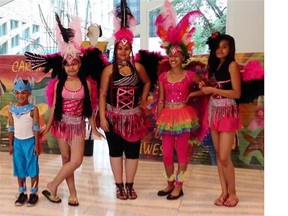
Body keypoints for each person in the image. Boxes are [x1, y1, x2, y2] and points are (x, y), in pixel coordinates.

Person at [25, 14, 105, 206]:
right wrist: (47, 126)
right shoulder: (58, 84)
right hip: (61, 126)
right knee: (66, 159)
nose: (71, 68)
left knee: (76, 161)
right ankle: (73, 194)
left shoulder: (86, 84)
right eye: (67, 64)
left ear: (79, 63)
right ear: (63, 65)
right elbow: (53, 109)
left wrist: (94, 128)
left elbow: (90, 108)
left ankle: (52, 185)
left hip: (77, 126)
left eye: (74, 63)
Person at [98, 0, 151, 200]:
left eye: (126, 49)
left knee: (132, 152)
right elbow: (103, 94)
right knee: (115, 152)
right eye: (120, 49)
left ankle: (130, 185)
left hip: (133, 118)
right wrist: (103, 118)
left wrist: (144, 99)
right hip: (112, 117)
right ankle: (119, 186)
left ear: (130, 49)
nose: (123, 52)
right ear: (115, 49)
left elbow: (146, 83)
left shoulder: (138, 68)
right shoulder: (107, 70)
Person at [154, 0, 203, 200]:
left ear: (183, 57)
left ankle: (179, 185)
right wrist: (157, 121)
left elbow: (204, 88)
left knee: (182, 153)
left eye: (177, 55)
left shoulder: (191, 76)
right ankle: (169, 183)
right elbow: (160, 100)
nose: (173, 58)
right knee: (166, 154)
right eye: (171, 55)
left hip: (183, 116)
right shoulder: (163, 77)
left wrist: (192, 95)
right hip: (166, 116)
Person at [200, 32, 241, 207]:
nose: (220, 49)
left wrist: (212, 91)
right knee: (218, 154)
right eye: (218, 46)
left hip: (228, 112)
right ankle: (223, 191)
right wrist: (207, 87)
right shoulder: (216, 66)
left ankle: (233, 193)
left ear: (230, 49)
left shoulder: (232, 65)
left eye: (225, 46)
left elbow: (236, 93)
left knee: (224, 156)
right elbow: (216, 87)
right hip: (214, 111)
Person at [8, 77, 41, 207]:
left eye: (23, 92)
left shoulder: (33, 109)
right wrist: (11, 144)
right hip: (17, 143)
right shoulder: (11, 110)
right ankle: (22, 193)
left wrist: (37, 144)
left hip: (30, 143)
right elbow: (11, 128)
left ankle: (33, 193)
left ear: (28, 93)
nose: (20, 95)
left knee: (33, 169)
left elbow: (36, 128)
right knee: (20, 168)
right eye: (17, 92)